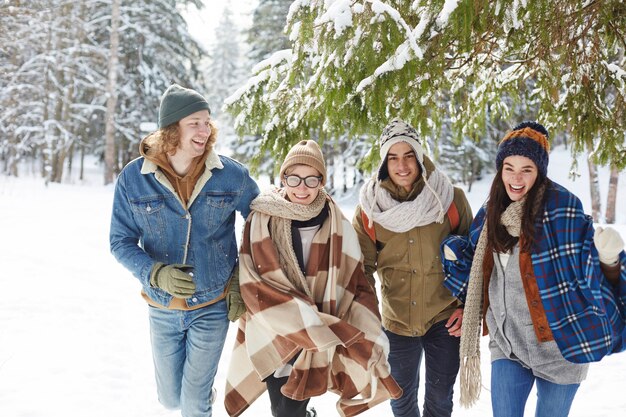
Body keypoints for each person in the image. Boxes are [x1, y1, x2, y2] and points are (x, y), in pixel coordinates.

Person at [441, 121, 626, 417]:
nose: (516, 178)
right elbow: (481, 269)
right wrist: (470, 307)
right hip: (508, 344)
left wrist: (610, 260)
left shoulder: (562, 209)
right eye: (509, 168)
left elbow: (590, 272)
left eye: (526, 169)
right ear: (500, 169)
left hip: (560, 350)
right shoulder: (492, 212)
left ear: (539, 172)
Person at [109, 84, 259, 417]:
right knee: (170, 400)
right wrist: (155, 273)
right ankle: (200, 392)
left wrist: (240, 278)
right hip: (161, 307)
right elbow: (119, 241)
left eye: (207, 122)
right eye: (195, 122)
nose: (205, 130)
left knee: (192, 405)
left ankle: (200, 395)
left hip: (212, 304)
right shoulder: (134, 179)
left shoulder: (231, 175)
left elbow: (261, 228)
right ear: (172, 129)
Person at [224, 140, 402, 417]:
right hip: (274, 325)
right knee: (280, 408)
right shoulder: (261, 217)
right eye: (294, 178)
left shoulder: (335, 221)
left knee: (289, 412)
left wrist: (369, 324)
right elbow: (253, 276)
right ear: (283, 178)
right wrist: (298, 317)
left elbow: (354, 279)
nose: (302, 187)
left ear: (322, 181)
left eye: (311, 179)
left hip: (319, 328)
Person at [352, 119, 473, 417]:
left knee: (440, 401)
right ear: (384, 162)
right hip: (396, 323)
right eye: (393, 157)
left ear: (419, 157)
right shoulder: (370, 209)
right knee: (401, 400)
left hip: (445, 319)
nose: (402, 165)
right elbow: (363, 269)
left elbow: (473, 259)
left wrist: (467, 308)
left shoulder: (450, 199)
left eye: (408, 156)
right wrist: (367, 320)